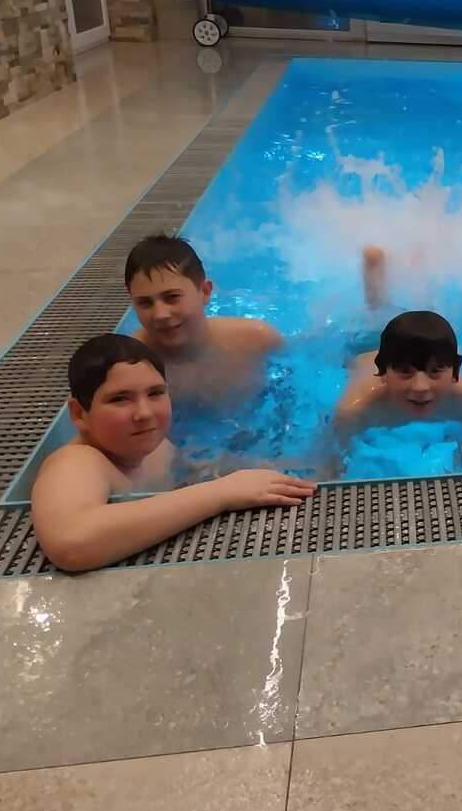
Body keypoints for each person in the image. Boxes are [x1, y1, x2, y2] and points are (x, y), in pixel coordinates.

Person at [30, 334, 314, 573]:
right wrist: (222, 493)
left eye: (155, 393)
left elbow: (195, 470)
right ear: (79, 413)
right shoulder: (77, 461)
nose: (144, 413)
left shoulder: (153, 447)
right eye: (120, 399)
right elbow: (71, 543)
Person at [124, 235, 282, 402]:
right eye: (145, 303)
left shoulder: (258, 340)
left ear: (205, 292)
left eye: (172, 297)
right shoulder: (129, 365)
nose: (160, 314)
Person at [334, 310, 462, 432]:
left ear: (455, 372)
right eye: (405, 371)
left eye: (434, 371)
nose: (420, 387)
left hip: (401, 347)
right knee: (374, 316)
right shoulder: (354, 411)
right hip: (364, 348)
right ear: (383, 373)